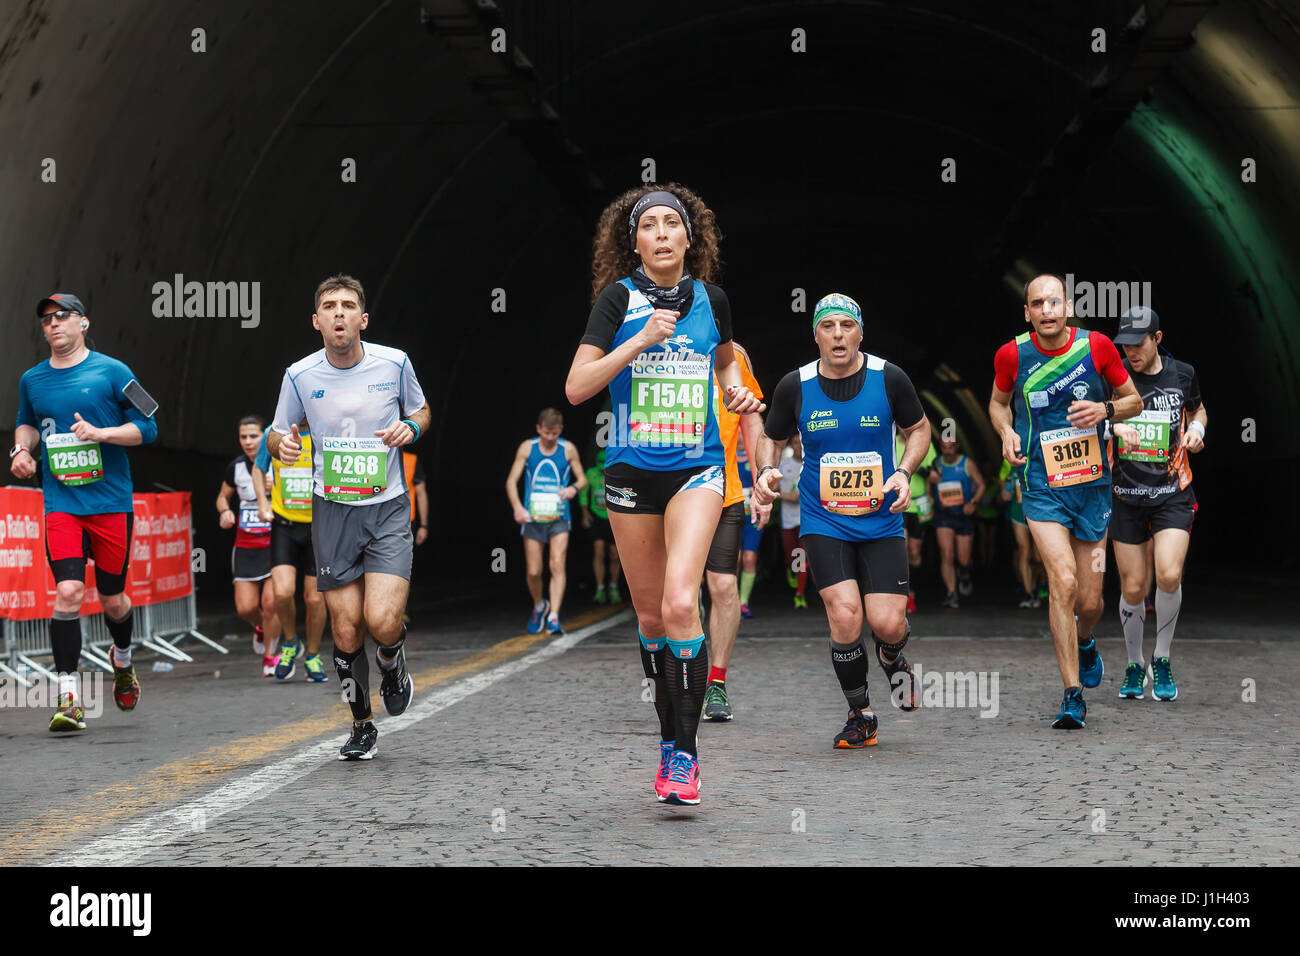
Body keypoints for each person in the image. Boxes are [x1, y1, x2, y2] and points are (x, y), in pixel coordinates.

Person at [566, 184, 763, 805]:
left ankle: (684, 756)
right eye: (646, 225)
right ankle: (667, 737)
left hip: (698, 468)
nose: (659, 233)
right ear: (635, 242)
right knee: (651, 617)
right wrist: (639, 340)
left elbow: (727, 361)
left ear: (688, 237)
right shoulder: (616, 300)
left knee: (683, 603)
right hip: (628, 472)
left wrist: (734, 390)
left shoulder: (713, 299)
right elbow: (576, 387)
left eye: (669, 224)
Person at [752, 293, 931, 749]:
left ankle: (893, 658)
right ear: (815, 334)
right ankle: (861, 713)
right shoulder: (796, 385)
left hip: (881, 518)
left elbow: (920, 430)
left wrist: (904, 472)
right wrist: (767, 470)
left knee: (887, 623)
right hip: (823, 518)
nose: (837, 335)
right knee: (846, 614)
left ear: (860, 334)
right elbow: (770, 439)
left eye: (846, 326)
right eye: (827, 326)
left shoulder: (889, 378)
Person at [268, 274, 430, 760]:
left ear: (363, 319)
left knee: (381, 621)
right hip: (332, 510)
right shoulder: (299, 375)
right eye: (329, 306)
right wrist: (285, 444)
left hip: (386, 508)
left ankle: (392, 658)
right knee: (343, 630)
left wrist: (409, 428)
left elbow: (422, 412)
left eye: (348, 306)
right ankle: (361, 724)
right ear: (316, 321)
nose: (339, 313)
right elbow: (277, 434)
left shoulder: (394, 363)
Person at [989, 273, 1142, 729]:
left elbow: (1133, 399)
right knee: (1063, 581)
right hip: (1040, 484)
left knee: (1090, 601)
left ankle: (1087, 638)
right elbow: (997, 403)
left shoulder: (1096, 347)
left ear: (1067, 305)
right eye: (1038, 304)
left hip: (1091, 485)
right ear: (1028, 312)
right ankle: (1072, 694)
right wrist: (1005, 430)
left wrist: (1105, 410)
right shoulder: (1012, 354)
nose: (1047, 311)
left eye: (1054, 302)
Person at [12, 292, 158, 731]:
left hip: (110, 502)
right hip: (62, 503)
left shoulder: (114, 372)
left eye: (62, 316)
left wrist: (103, 433)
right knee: (70, 592)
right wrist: (20, 448)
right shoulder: (32, 379)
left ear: (83, 323)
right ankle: (69, 698)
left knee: (112, 600)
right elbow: (26, 421)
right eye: (46, 320)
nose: (53, 325)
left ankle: (123, 658)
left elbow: (149, 426)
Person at [1108, 307, 1205, 701]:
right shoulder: (1113, 377)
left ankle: (1161, 658)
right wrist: (1114, 426)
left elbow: (1197, 408)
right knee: (1133, 587)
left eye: (1138, 343)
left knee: (1168, 574)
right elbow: (1088, 418)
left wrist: (1197, 428)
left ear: (1157, 338)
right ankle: (1135, 664)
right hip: (1125, 496)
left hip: (1172, 493)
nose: (1130, 351)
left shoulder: (1183, 373)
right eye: (1124, 345)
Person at [701, 341, 765, 722]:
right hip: (669, 488)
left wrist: (761, 483)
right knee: (679, 592)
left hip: (723, 491)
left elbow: (750, 418)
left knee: (723, 587)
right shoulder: (653, 342)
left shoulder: (734, 355)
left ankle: (716, 682)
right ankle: (681, 675)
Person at [253, 418, 328, 681]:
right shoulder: (273, 434)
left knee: (315, 598)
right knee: (282, 593)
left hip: (317, 527)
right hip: (284, 524)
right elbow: (258, 468)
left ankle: (313, 656)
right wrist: (262, 502)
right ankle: (290, 641)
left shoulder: (326, 428)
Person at [506, 408, 586, 635]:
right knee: (533, 571)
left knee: (557, 564)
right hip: (533, 517)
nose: (550, 438)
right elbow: (511, 481)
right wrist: (517, 508)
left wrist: (573, 489)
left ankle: (554, 616)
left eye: (554, 433)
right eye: (546, 433)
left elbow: (582, 480)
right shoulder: (527, 448)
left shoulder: (568, 448)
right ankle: (540, 605)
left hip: (559, 516)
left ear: (560, 430)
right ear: (538, 429)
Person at [217, 416, 280, 670]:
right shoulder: (236, 467)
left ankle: (270, 657)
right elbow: (222, 496)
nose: (248, 442)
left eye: (253, 436)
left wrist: (276, 487)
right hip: (245, 547)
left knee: (270, 604)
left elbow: (303, 493)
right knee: (245, 608)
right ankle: (261, 627)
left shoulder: (279, 462)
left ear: (264, 437)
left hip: (275, 542)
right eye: (243, 437)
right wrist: (224, 512)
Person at [928, 437, 985, 608]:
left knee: (964, 559)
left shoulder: (967, 464)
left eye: (951, 447)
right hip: (943, 514)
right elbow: (927, 482)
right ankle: (951, 592)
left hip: (963, 514)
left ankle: (965, 573)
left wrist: (973, 503)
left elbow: (981, 485)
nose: (948, 451)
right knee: (947, 554)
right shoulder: (936, 463)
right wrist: (930, 496)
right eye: (944, 448)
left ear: (957, 447)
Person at [896, 429, 937, 613]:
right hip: (898, 505)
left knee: (914, 552)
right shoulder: (889, 441)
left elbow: (936, 475)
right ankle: (903, 593)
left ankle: (913, 589)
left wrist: (913, 467)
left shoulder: (924, 442)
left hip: (919, 504)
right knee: (901, 548)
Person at [579, 448, 622, 604]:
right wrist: (585, 514)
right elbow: (583, 494)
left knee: (615, 555)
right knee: (599, 552)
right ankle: (600, 588)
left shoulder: (618, 471)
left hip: (614, 519)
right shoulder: (590, 474)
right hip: (597, 518)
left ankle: (614, 586)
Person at [999, 458, 1040, 608]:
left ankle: (1034, 583)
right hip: (1018, 511)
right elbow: (1002, 477)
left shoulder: (1040, 449)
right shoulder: (1010, 455)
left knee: (1038, 557)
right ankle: (1028, 593)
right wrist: (1004, 489)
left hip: (1039, 512)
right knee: (1024, 551)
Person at [778, 431, 807, 609]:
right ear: (791, 446)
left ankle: (800, 594)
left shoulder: (810, 464)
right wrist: (786, 496)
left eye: (801, 443)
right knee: (791, 557)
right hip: (787, 519)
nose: (799, 446)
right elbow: (774, 489)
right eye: (795, 443)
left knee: (802, 559)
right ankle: (791, 570)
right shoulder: (783, 464)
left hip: (805, 519)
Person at [736, 441, 765, 618]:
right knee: (735, 559)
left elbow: (774, 484)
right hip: (731, 514)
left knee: (749, 557)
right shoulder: (725, 454)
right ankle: (729, 600)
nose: (740, 435)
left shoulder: (757, 458)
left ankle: (743, 602)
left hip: (753, 516)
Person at [401, 449, 428, 626]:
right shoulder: (370, 457)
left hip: (405, 522)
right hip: (375, 520)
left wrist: (424, 525)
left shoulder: (411, 460)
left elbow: (421, 493)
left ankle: (400, 610)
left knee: (401, 569)